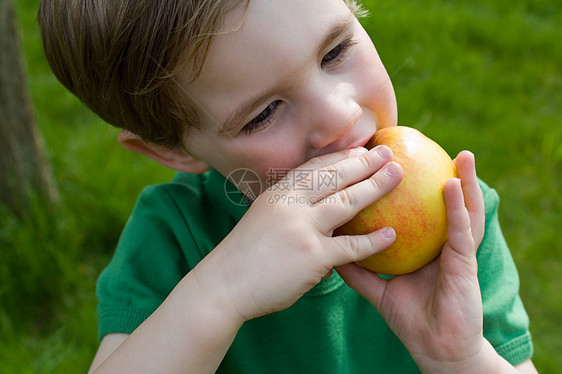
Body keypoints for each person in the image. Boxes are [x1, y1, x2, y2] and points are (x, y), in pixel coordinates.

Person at [38, 0, 538, 372]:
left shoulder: (456, 221)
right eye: (263, 114)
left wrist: (459, 356)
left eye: (336, 50)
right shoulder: (174, 237)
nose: (340, 114)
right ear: (177, 151)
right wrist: (223, 290)